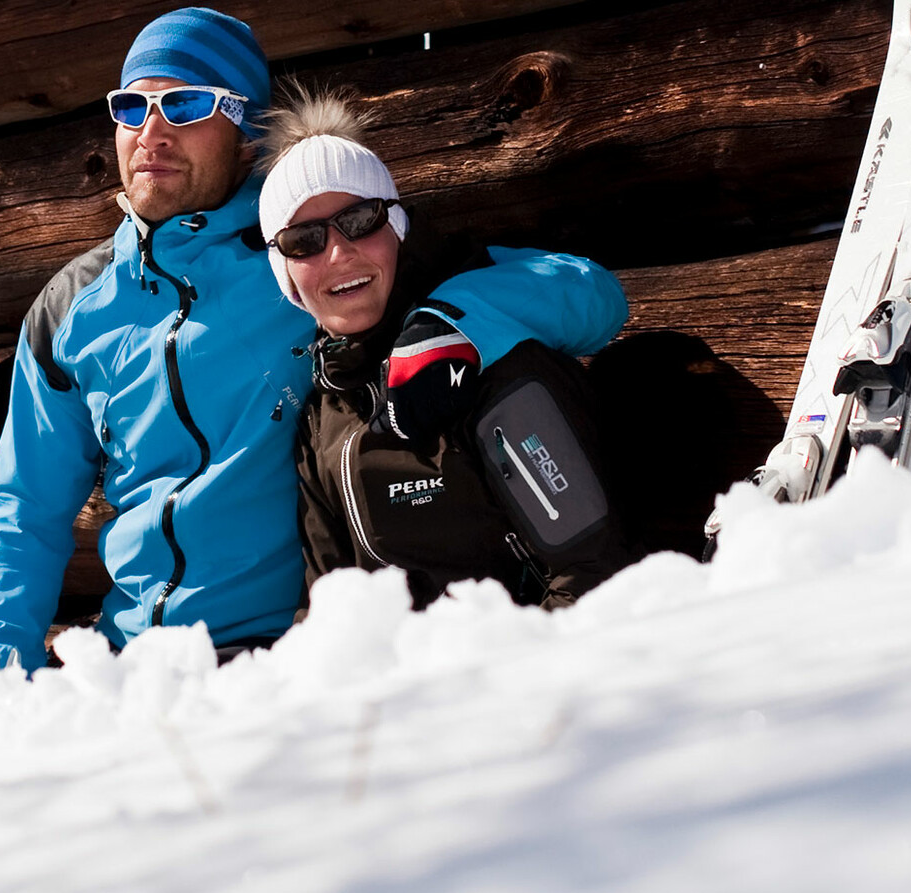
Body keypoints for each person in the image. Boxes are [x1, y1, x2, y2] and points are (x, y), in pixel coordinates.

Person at [0, 7, 313, 672]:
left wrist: (455, 326)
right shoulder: (73, 306)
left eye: (184, 104)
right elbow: (25, 511)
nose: (151, 131)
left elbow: (491, 283)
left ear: (246, 132)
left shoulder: (307, 255)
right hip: (131, 664)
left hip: (279, 666)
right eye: (133, 107)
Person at [258, 88, 632, 612]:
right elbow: (330, 619)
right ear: (287, 275)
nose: (339, 252)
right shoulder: (324, 412)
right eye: (304, 241)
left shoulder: (497, 364)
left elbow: (590, 581)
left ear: (396, 227)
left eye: (361, 220)